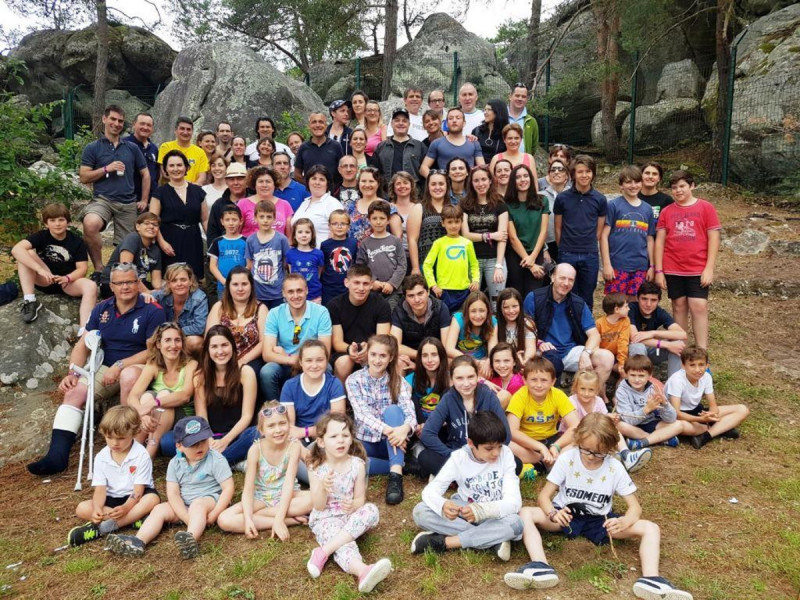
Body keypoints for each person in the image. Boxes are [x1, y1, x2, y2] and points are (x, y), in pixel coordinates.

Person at [504, 413, 694, 600]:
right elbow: (544, 496)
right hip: (566, 515)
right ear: (577, 441)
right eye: (585, 450)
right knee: (525, 512)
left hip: (601, 521)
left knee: (651, 528)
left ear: (611, 448)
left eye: (599, 453)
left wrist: (624, 521)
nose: (591, 457)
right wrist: (553, 513)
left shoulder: (615, 467)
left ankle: (651, 579)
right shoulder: (567, 458)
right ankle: (540, 566)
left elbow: (635, 507)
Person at [27, 263, 167, 476]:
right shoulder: (102, 309)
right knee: (74, 392)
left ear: (138, 283)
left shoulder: (152, 310)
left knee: (128, 376)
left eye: (130, 281)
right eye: (119, 283)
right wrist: (73, 372)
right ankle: (57, 456)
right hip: (105, 365)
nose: (125, 287)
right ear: (111, 285)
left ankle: (126, 447)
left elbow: (152, 352)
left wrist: (121, 365)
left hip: (139, 366)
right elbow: (84, 343)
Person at [106, 416, 234, 559]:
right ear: (179, 446)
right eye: (193, 444)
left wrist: (215, 513)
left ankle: (190, 539)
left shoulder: (215, 459)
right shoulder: (175, 463)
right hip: (184, 505)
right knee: (159, 509)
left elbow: (228, 488)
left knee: (198, 505)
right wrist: (186, 516)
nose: (200, 446)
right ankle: (138, 541)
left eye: (203, 441)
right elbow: (173, 494)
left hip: (210, 500)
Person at [411, 410, 523, 560]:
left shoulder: (506, 454)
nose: (496, 453)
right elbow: (430, 492)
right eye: (489, 448)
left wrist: (483, 510)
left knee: (516, 523)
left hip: (496, 512)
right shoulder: (459, 457)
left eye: (499, 446)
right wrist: (443, 504)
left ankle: (444, 542)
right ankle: (492, 539)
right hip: (465, 509)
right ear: (470, 443)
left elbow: (514, 502)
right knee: (420, 511)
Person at [305, 413, 393, 593]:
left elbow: (360, 499)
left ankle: (323, 552)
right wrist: (322, 487)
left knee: (372, 510)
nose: (340, 441)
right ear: (321, 442)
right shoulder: (316, 467)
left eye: (345, 436)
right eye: (334, 436)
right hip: (325, 518)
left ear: (351, 439)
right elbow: (319, 506)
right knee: (345, 544)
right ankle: (363, 571)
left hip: (350, 517)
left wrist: (354, 505)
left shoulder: (357, 465)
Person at [67, 406, 161, 548]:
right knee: (82, 508)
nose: (114, 443)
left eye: (121, 438)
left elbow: (138, 490)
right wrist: (97, 508)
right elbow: (100, 490)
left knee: (152, 499)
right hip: (112, 501)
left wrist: (126, 507)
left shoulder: (141, 455)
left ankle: (103, 528)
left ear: (134, 433)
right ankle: (134, 519)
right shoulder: (101, 457)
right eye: (109, 437)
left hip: (135, 497)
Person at [217, 401, 312, 538]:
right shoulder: (255, 450)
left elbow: (288, 485)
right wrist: (249, 519)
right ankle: (290, 520)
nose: (278, 430)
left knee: (315, 499)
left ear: (289, 425)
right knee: (224, 519)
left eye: (282, 423)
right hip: (261, 497)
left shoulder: (294, 447)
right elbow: (248, 490)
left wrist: (276, 517)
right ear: (261, 430)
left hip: (289, 495)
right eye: (271, 426)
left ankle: (265, 517)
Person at [654, 170, 720, 351]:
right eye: (674, 187)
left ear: (692, 186)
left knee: (698, 306)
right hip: (672, 267)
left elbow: (713, 238)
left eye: (682, 186)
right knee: (679, 305)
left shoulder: (706, 208)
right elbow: (659, 241)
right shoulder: (667, 211)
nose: (678, 191)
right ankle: (681, 348)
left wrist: (709, 268)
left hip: (697, 267)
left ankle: (701, 350)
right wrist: (659, 271)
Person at [346, 334, 416, 503]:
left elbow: (410, 414)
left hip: (391, 443)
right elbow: (362, 414)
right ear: (367, 355)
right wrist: (392, 432)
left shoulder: (399, 382)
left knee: (393, 411)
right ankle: (400, 464)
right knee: (355, 463)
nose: (377, 360)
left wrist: (404, 430)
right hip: (368, 443)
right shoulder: (354, 380)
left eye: (383, 356)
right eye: (373, 355)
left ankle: (395, 478)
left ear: (391, 358)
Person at [80, 104, 150, 271]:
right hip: (103, 199)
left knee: (128, 244)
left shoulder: (132, 148)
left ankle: (119, 274)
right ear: (104, 119)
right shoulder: (93, 147)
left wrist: (144, 200)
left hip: (127, 203)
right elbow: (83, 177)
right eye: (113, 119)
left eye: (120, 121)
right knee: (90, 224)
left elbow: (145, 174)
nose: (117, 123)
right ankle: (98, 269)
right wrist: (106, 169)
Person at [418, 355, 510, 477]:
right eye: (459, 378)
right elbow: (427, 433)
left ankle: (458, 478)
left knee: (516, 463)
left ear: (478, 376)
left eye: (471, 377)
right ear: (452, 379)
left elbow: (506, 435)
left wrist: (484, 454)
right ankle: (470, 477)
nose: (466, 383)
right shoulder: (448, 399)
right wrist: (451, 454)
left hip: (484, 456)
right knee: (425, 457)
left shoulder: (488, 396)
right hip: (458, 455)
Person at [524, 264, 615, 384]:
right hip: (542, 351)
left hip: (569, 351)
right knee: (550, 359)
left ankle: (585, 397)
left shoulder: (578, 303)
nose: (566, 283)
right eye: (562, 278)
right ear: (552, 277)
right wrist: (539, 342)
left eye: (570, 280)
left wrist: (586, 353)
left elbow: (594, 335)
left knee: (606, 358)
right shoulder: (534, 298)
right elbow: (525, 328)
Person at [13, 202, 95, 327]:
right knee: (26, 253)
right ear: (46, 224)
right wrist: (40, 270)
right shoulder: (41, 236)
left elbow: (82, 269)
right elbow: (16, 250)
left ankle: (85, 329)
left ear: (68, 222)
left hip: (68, 283)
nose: (57, 224)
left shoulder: (77, 241)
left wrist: (67, 278)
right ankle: (30, 300)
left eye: (61, 220)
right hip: (46, 279)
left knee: (91, 286)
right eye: (52, 220)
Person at [189, 325, 261, 465]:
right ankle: (233, 460)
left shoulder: (245, 372)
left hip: (238, 435)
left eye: (224, 345)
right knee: (168, 441)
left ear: (232, 347)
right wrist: (209, 439)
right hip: (211, 435)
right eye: (214, 347)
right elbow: (201, 416)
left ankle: (214, 462)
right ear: (207, 350)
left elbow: (247, 416)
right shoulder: (200, 377)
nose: (220, 351)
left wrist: (226, 441)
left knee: (257, 433)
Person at [126, 322, 198, 457]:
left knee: (162, 396)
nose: (173, 345)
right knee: (146, 396)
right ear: (158, 344)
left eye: (177, 340)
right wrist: (143, 414)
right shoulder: (153, 364)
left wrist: (155, 403)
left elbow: (185, 395)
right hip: (156, 420)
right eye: (167, 340)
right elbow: (133, 396)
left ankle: (149, 456)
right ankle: (134, 451)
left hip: (182, 418)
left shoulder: (190, 364)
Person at [560, 369, 652, 473]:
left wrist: (609, 419)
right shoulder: (571, 401)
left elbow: (602, 422)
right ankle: (610, 457)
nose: (586, 393)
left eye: (591, 390)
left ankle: (626, 454)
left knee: (613, 429)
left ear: (597, 390)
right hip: (574, 436)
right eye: (582, 389)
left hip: (594, 435)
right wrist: (604, 417)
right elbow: (577, 426)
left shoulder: (598, 401)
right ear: (575, 388)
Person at [260, 273, 332, 401]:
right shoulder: (274, 313)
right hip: (284, 363)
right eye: (290, 292)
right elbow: (267, 354)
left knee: (327, 368)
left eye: (299, 291)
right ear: (284, 293)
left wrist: (298, 359)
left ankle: (319, 410)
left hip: (312, 360)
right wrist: (290, 359)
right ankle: (277, 409)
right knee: (267, 372)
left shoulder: (321, 312)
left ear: (306, 291)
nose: (295, 296)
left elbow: (325, 351)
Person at [506, 357, 579, 474]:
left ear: (553, 381)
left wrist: (556, 446)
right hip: (527, 443)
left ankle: (546, 462)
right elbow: (512, 431)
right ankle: (543, 460)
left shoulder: (558, 395)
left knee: (581, 439)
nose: (539, 385)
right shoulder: (520, 396)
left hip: (552, 440)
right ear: (525, 380)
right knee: (506, 444)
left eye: (544, 380)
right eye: (534, 379)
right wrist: (540, 448)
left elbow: (575, 426)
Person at [666, 346, 749, 449]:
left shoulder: (706, 377)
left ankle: (706, 436)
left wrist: (712, 414)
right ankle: (720, 429)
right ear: (683, 366)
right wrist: (701, 419)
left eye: (701, 365)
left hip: (698, 412)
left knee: (742, 409)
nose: (697, 370)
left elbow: (713, 406)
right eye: (692, 365)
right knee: (680, 426)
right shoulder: (677, 380)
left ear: (707, 365)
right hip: (679, 417)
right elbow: (676, 413)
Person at [553, 154, 607, 309]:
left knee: (586, 294)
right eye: (580, 171)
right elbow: (558, 228)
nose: (584, 175)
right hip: (567, 252)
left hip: (589, 254)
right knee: (565, 292)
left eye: (588, 171)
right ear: (573, 175)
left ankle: (584, 329)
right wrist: (564, 247)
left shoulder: (600, 199)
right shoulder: (562, 198)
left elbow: (599, 230)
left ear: (593, 174)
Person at [328, 265, 392, 383]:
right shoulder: (335, 305)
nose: (361, 288)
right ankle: (342, 399)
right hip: (346, 351)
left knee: (377, 358)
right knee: (344, 362)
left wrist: (369, 348)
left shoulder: (381, 304)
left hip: (373, 349)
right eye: (356, 283)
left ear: (371, 284)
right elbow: (337, 342)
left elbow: (383, 339)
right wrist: (349, 349)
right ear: (347, 283)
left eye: (365, 284)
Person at [151, 149, 208, 280]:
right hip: (169, 241)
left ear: (186, 167)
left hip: (193, 239)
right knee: (172, 278)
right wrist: (162, 242)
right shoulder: (159, 192)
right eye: (171, 165)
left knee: (193, 278)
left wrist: (212, 242)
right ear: (165, 169)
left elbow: (205, 220)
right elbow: (153, 221)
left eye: (179, 165)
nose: (176, 169)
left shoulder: (198, 192)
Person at [601, 165, 655, 299]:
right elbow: (603, 236)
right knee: (615, 304)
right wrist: (606, 265)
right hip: (618, 265)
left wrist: (652, 266)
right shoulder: (613, 205)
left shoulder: (647, 209)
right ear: (621, 186)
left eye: (636, 181)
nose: (633, 185)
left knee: (634, 303)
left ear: (641, 184)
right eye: (628, 182)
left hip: (640, 266)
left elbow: (649, 239)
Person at [280, 340, 346, 447]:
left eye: (320, 360)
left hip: (328, 438)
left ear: (326, 361)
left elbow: (337, 424)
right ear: (301, 362)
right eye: (309, 360)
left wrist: (305, 431)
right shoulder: (290, 386)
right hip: (298, 440)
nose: (314, 365)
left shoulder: (334, 384)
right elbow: (290, 427)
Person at [206, 266, 269, 375]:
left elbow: (264, 342)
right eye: (235, 284)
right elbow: (209, 338)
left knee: (247, 372)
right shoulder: (219, 307)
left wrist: (242, 361)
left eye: (244, 284)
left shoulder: (261, 309)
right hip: (221, 358)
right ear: (228, 287)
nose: (240, 289)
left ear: (251, 286)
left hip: (251, 360)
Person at [615, 355, 686, 451]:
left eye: (641, 376)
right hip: (633, 426)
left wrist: (665, 404)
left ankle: (641, 442)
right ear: (626, 374)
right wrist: (646, 409)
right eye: (632, 375)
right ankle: (660, 439)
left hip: (652, 423)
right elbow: (628, 419)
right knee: (620, 426)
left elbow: (671, 419)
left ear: (649, 376)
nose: (637, 379)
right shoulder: (622, 391)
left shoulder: (653, 388)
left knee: (679, 425)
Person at [461, 165, 508, 303]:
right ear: (471, 183)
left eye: (483, 179)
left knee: (496, 303)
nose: (480, 184)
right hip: (472, 260)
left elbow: (503, 237)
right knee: (471, 302)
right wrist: (490, 236)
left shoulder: (500, 203)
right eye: (476, 180)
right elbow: (466, 235)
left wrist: (499, 266)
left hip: (494, 260)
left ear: (490, 181)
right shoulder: (465, 204)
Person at [423, 204, 480, 313]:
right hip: (443, 291)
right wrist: (433, 285)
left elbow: (474, 264)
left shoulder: (467, 243)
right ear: (443, 223)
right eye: (450, 222)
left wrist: (476, 280)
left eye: (457, 221)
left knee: (461, 320)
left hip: (464, 290)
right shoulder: (438, 243)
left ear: (461, 222)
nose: (453, 225)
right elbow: (427, 265)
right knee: (444, 321)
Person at [506, 164, 550, 297]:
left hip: (536, 253)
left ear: (531, 179)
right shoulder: (506, 204)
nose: (522, 180)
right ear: (513, 181)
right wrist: (530, 263)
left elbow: (543, 232)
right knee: (516, 295)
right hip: (515, 256)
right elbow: (512, 238)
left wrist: (533, 258)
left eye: (525, 176)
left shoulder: (542, 200)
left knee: (533, 296)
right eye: (518, 177)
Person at [627, 281, 687, 377]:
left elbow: (682, 334)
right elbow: (634, 337)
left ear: (658, 301)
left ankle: (674, 386)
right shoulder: (631, 309)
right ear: (637, 298)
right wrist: (666, 344)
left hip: (651, 351)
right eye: (644, 299)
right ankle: (641, 386)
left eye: (653, 300)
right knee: (638, 346)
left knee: (677, 342)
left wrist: (652, 333)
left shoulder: (659, 312)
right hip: (630, 352)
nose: (648, 304)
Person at [390, 274, 451, 369]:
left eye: (420, 293)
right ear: (405, 297)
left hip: (436, 356)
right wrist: (421, 356)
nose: (417, 300)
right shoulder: (399, 311)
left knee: (450, 359)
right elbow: (395, 345)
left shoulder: (441, 308)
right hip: (411, 357)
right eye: (411, 296)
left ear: (428, 292)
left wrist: (430, 357)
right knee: (399, 362)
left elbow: (446, 345)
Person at [99, 212, 163, 299]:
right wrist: (146, 292)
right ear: (138, 227)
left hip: (136, 284)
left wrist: (160, 291)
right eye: (147, 223)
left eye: (155, 225)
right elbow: (125, 268)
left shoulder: (156, 250)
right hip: (115, 283)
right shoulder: (133, 238)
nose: (151, 227)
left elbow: (156, 282)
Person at [356, 201, 406, 307]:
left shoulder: (396, 241)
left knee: (391, 317)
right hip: (372, 290)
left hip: (394, 292)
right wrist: (372, 281)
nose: (378, 222)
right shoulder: (365, 243)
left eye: (382, 218)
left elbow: (402, 266)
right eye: (374, 218)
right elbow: (361, 266)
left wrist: (392, 283)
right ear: (369, 219)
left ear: (388, 220)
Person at [150, 263, 208, 356]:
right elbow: (143, 298)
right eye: (174, 280)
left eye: (183, 280)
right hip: (165, 339)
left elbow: (199, 327)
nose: (179, 284)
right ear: (168, 284)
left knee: (194, 341)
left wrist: (172, 332)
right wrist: (145, 295)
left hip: (185, 339)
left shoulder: (199, 298)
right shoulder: (161, 295)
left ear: (190, 281)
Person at [245, 199, 290, 309]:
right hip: (258, 292)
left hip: (278, 292)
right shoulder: (250, 240)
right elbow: (249, 265)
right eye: (262, 217)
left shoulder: (281, 239)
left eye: (269, 217)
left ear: (274, 218)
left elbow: (286, 264)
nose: (265, 220)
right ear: (255, 218)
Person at [444, 291, 496, 379]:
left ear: (488, 311)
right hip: (460, 358)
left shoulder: (493, 321)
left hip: (481, 360)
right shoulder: (458, 319)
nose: (478, 315)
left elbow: (493, 350)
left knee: (488, 369)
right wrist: (473, 361)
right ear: (467, 311)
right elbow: (449, 348)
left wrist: (488, 361)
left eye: (482, 311)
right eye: (473, 311)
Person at [344, 167, 402, 246]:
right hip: (355, 256)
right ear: (358, 183)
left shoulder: (389, 208)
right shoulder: (349, 208)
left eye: (371, 181)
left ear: (378, 183)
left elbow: (398, 238)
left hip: (381, 256)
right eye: (363, 181)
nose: (367, 185)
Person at [420, 107, 485, 177]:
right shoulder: (436, 143)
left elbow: (482, 168)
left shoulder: (473, 142)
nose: (454, 121)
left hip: (468, 186)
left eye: (458, 118)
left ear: (464, 123)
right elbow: (423, 168)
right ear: (446, 123)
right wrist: (436, 181)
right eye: (450, 118)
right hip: (446, 186)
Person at [407, 171, 449, 274]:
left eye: (441, 184)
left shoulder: (453, 208)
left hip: (450, 264)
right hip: (426, 265)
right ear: (428, 187)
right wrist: (415, 268)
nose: (437, 187)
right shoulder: (419, 208)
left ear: (447, 186)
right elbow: (412, 240)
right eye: (433, 184)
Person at [293, 165, 345, 247]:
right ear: (308, 181)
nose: (317, 182)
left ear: (327, 183)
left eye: (321, 179)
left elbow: (338, 234)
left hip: (321, 256)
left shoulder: (333, 204)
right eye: (314, 178)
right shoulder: (305, 203)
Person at [405, 337, 449, 427]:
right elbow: (404, 405)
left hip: (441, 427)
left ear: (441, 356)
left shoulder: (450, 378)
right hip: (418, 425)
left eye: (434, 355)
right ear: (420, 358)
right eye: (425, 355)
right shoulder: (411, 379)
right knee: (411, 397)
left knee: (448, 392)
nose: (429, 360)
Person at [239, 166, 294, 238]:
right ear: (254, 184)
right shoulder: (243, 204)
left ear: (274, 184)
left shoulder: (285, 205)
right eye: (260, 181)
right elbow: (236, 232)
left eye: (268, 181)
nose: (264, 185)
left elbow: (290, 237)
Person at [375, 108, 426, 186]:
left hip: (413, 195)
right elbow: (375, 173)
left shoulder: (419, 146)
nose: (401, 123)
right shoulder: (381, 147)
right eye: (397, 120)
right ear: (391, 124)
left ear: (409, 124)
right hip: (387, 194)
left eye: (404, 121)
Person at [294, 112, 345, 187]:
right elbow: (297, 174)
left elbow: (343, 171)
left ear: (326, 126)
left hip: (332, 194)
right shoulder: (303, 147)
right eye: (314, 122)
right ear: (309, 126)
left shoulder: (336, 146)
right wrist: (309, 186)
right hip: (310, 195)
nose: (317, 125)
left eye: (321, 122)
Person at [206, 162, 249, 246]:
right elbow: (212, 234)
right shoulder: (218, 205)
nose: (236, 183)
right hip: (225, 254)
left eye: (240, 179)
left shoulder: (254, 202)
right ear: (226, 181)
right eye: (232, 179)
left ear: (246, 181)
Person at [208, 204, 247, 297]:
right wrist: (224, 281)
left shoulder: (246, 241)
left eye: (234, 220)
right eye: (227, 220)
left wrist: (239, 281)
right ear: (222, 221)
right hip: (223, 287)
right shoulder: (217, 242)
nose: (231, 223)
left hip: (241, 287)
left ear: (240, 221)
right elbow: (213, 266)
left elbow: (249, 264)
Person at [321, 209, 358, 305]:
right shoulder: (325, 245)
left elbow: (355, 264)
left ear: (349, 227)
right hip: (329, 288)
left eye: (343, 223)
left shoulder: (353, 243)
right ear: (329, 226)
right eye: (335, 223)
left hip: (347, 287)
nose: (339, 226)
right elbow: (323, 266)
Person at [537, 156, 570, 263]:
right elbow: (536, 225)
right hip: (548, 244)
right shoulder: (540, 197)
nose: (556, 172)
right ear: (549, 174)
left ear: (567, 175)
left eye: (561, 169)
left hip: (570, 244)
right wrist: (544, 248)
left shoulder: (574, 196)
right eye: (553, 170)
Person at [157, 117, 209, 185]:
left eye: (188, 129)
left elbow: (202, 178)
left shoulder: (200, 152)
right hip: (169, 191)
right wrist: (184, 186)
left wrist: (189, 188)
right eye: (182, 129)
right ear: (175, 130)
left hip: (192, 192)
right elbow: (165, 173)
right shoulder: (166, 147)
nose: (185, 132)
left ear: (192, 131)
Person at [495, 288, 537, 365]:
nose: (511, 311)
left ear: (520, 306)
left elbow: (531, 348)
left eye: (514, 306)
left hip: (523, 360)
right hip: (502, 363)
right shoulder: (495, 323)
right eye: (506, 307)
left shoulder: (527, 323)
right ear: (500, 308)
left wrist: (524, 360)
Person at [287, 218, 325, 302]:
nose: (304, 235)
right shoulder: (290, 253)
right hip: (295, 295)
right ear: (294, 235)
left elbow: (319, 273)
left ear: (312, 235)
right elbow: (291, 273)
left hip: (314, 295)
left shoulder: (318, 254)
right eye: (300, 232)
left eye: (307, 232)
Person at [125, 112, 159, 203]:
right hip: (130, 199)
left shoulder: (154, 148)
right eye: (142, 124)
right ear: (134, 124)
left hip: (152, 199)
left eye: (149, 125)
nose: (145, 127)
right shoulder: (124, 144)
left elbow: (157, 174)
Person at [595, 292, 631, 375]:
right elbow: (595, 345)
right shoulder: (599, 323)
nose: (629, 309)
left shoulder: (625, 321)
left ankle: (621, 386)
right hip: (603, 357)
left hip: (618, 357)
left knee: (625, 371)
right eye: (626, 306)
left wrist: (622, 363)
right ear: (617, 310)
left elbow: (623, 342)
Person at [388, 171, 418, 262]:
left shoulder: (418, 208)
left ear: (411, 186)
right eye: (398, 184)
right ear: (393, 187)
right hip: (394, 256)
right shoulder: (388, 207)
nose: (402, 186)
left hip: (416, 255)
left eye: (405, 183)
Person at [485, 342, 524, 409]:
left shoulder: (518, 382)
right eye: (497, 361)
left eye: (506, 361)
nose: (502, 365)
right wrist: (484, 381)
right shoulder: (491, 377)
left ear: (514, 362)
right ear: (492, 363)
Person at [507, 82, 539, 154]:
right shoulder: (500, 117)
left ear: (527, 99)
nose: (520, 99)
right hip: (503, 163)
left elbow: (533, 147)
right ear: (510, 96)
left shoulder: (531, 121)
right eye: (517, 95)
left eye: (523, 96)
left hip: (523, 163)